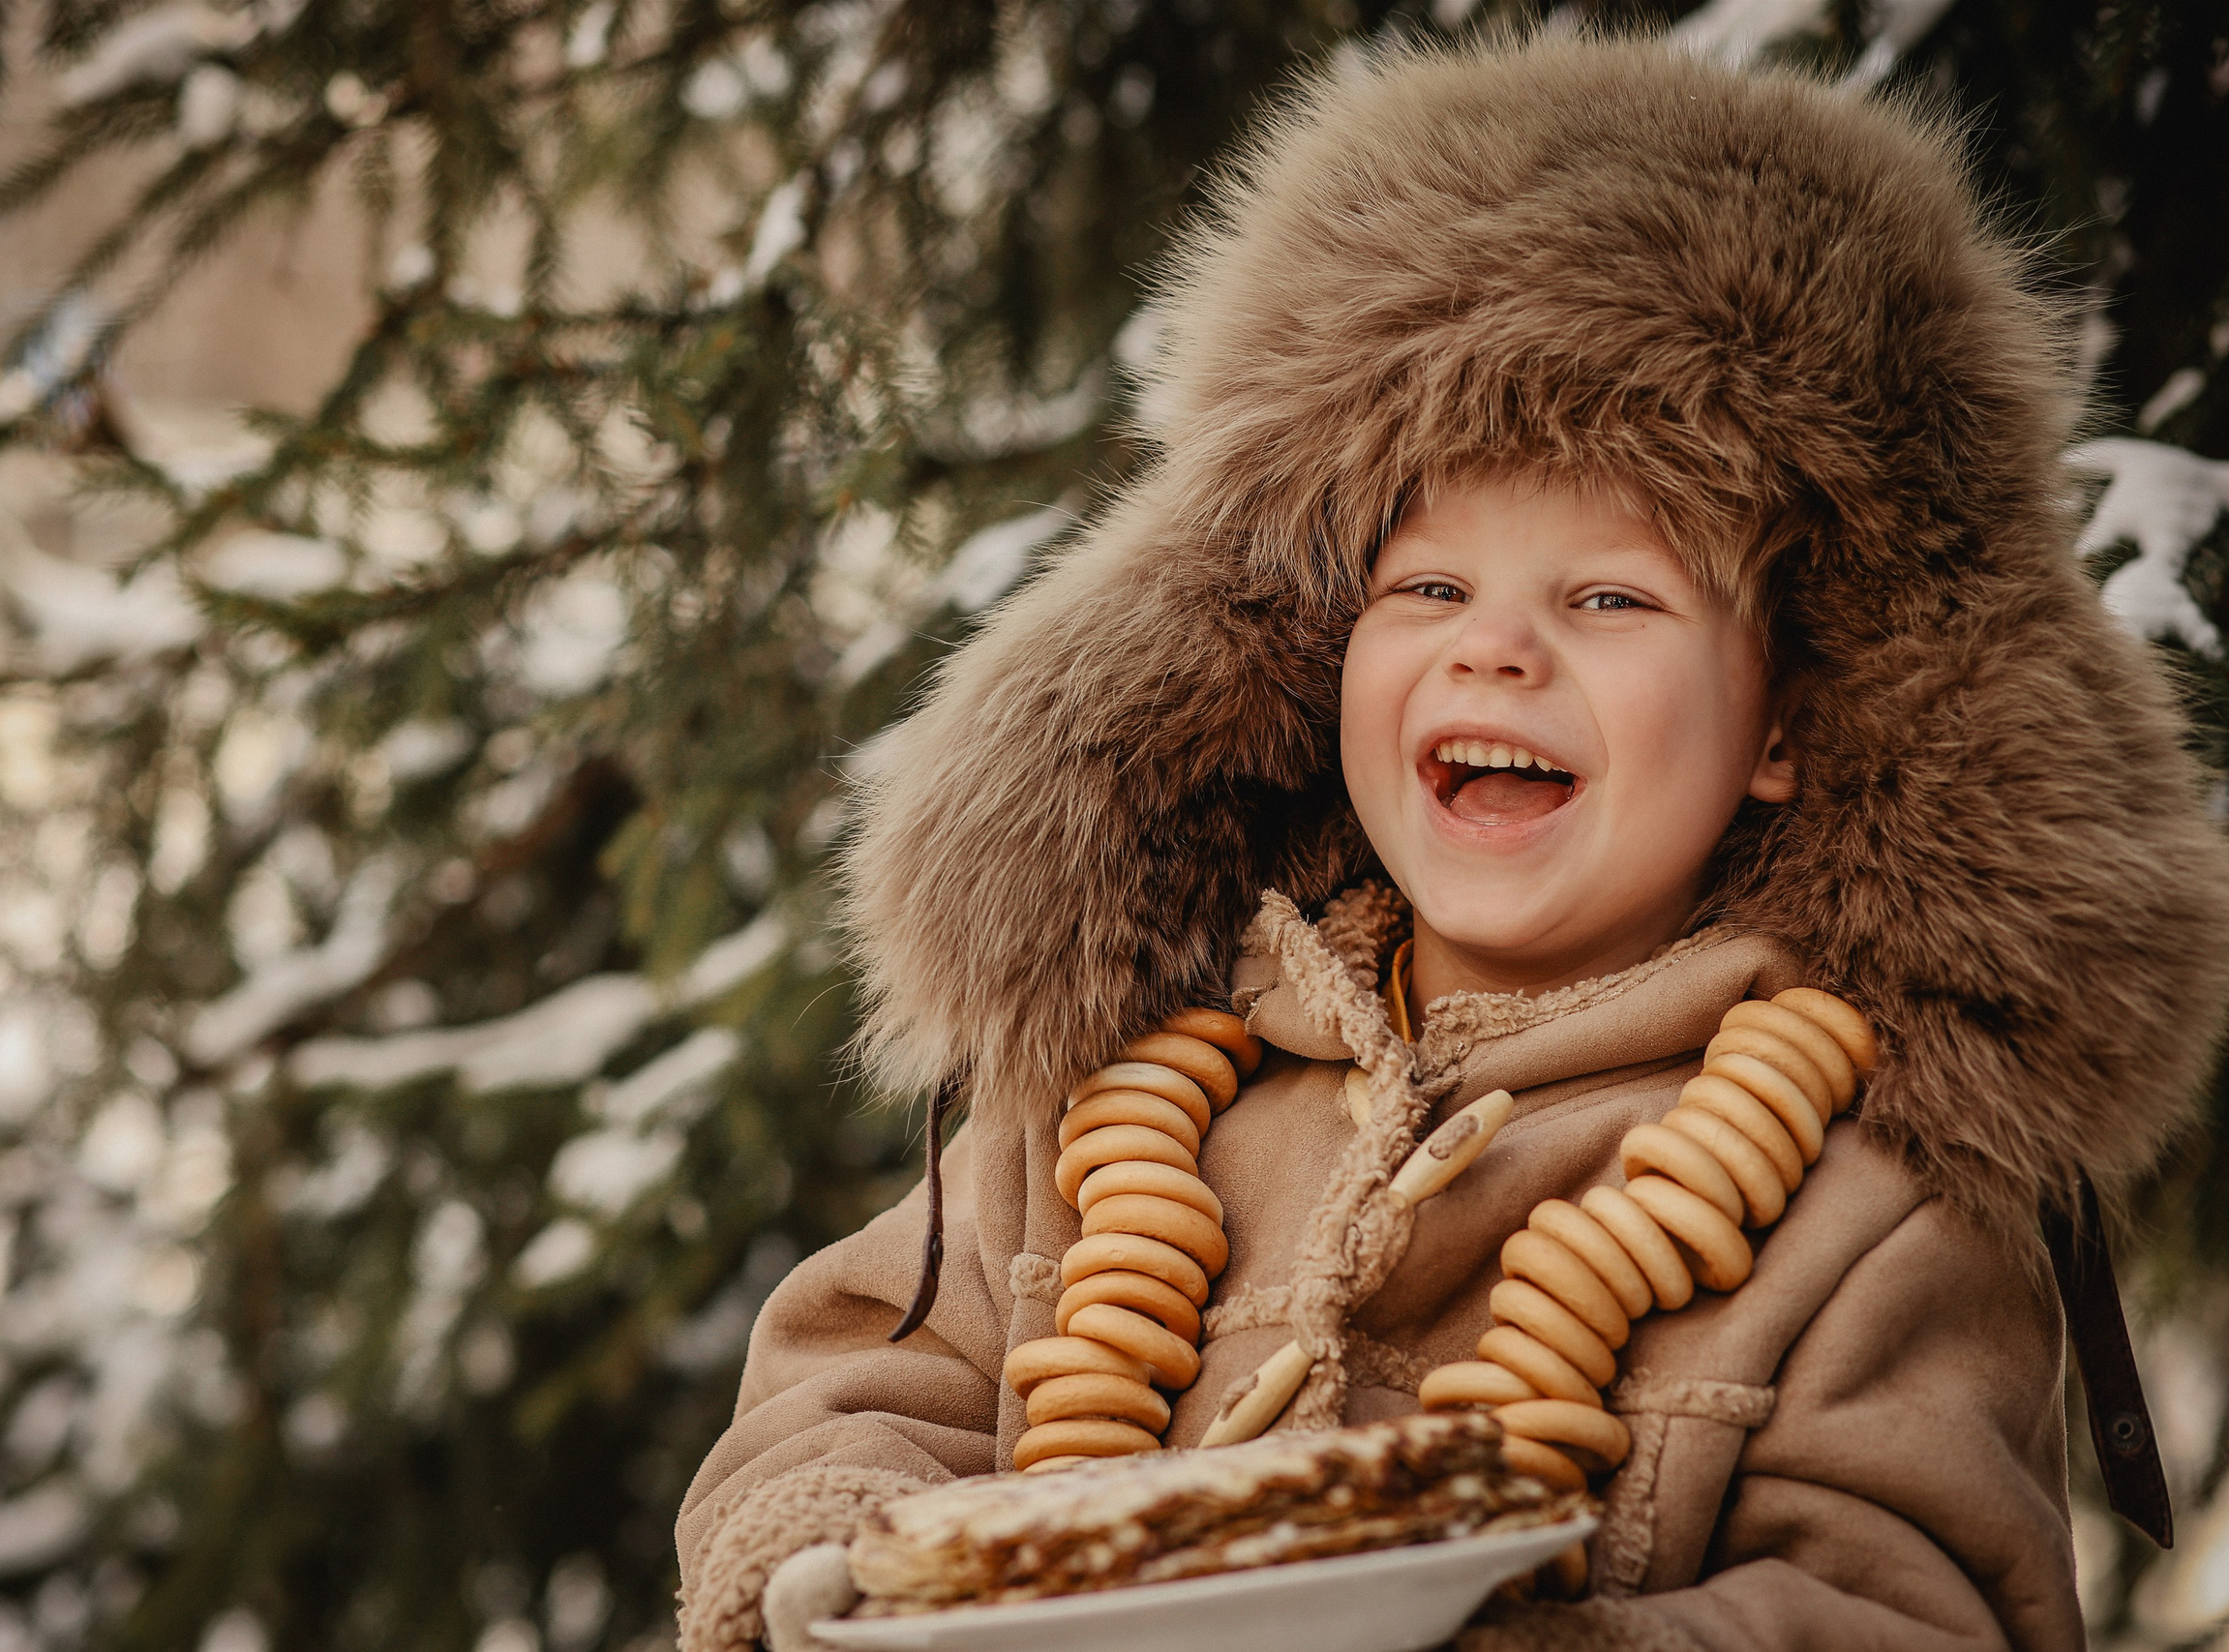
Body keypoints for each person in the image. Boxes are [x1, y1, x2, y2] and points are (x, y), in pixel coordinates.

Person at [674, 32, 2229, 1652]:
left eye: (1611, 597)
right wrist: (834, 1563)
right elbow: (849, 1390)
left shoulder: (1874, 1207)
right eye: (1428, 589)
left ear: (1790, 727)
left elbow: (1909, 1603)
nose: (1496, 650)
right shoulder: (1111, 1091)